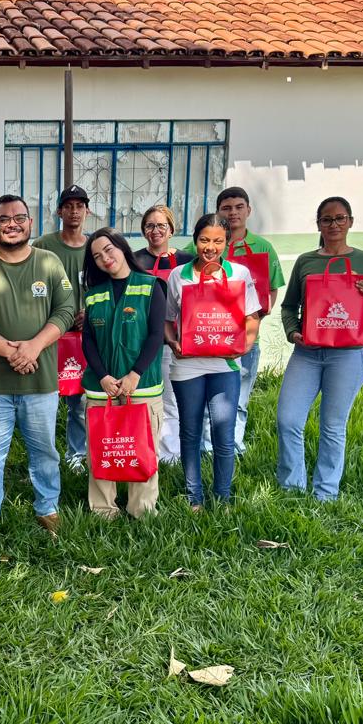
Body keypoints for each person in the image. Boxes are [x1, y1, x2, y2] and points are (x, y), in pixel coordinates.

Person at [0, 195, 76, 538]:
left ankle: (47, 507)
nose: (12, 224)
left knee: (44, 451)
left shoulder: (49, 262)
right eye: (4, 219)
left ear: (30, 223)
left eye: (19, 218)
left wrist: (34, 346)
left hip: (40, 381)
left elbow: (66, 309)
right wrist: (13, 353)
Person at [277, 196, 363, 501]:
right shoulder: (306, 261)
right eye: (327, 219)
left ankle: (325, 493)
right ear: (318, 224)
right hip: (308, 353)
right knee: (288, 420)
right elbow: (289, 307)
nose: (334, 225)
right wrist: (292, 331)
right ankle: (291, 487)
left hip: (348, 354)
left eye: (340, 218)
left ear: (350, 221)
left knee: (332, 426)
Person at [164, 214, 261, 511]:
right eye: (205, 240)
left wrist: (243, 346)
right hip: (187, 365)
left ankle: (223, 497)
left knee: (224, 433)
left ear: (226, 243)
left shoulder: (238, 274)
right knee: (190, 432)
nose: (210, 247)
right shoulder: (179, 275)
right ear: (195, 240)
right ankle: (194, 497)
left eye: (218, 241)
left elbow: (252, 316)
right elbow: (168, 319)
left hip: (224, 365)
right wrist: (173, 342)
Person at [81, 229, 166, 518]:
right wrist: (103, 376)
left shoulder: (151, 285)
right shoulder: (93, 295)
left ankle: (141, 510)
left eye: (108, 249)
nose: (105, 258)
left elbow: (156, 336)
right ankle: (103, 510)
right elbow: (88, 341)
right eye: (97, 256)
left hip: (141, 388)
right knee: (102, 450)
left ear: (122, 247)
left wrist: (135, 374)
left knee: (141, 449)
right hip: (101, 389)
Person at [208, 186, 286, 454]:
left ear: (248, 210)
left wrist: (255, 323)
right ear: (218, 211)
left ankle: (233, 447)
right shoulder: (209, 242)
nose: (233, 213)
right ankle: (208, 449)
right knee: (211, 398)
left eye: (239, 207)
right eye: (226, 208)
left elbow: (272, 289)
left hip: (247, 339)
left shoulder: (263, 248)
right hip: (210, 337)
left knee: (239, 397)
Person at [34, 184, 91, 467]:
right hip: (48, 334)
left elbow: (104, 285)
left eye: (79, 206)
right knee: (44, 399)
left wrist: (89, 312)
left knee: (78, 401)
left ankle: (76, 456)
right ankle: (42, 457)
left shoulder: (94, 246)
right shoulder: (43, 245)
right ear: (59, 211)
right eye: (68, 206)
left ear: (87, 211)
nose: (74, 211)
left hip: (82, 336)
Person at [133, 204, 192, 465]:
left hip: (175, 341)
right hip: (141, 341)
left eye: (160, 225)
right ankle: (142, 448)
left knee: (170, 397)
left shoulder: (187, 261)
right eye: (149, 226)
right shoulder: (134, 260)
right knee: (143, 396)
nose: (155, 231)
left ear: (171, 229)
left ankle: (169, 455)